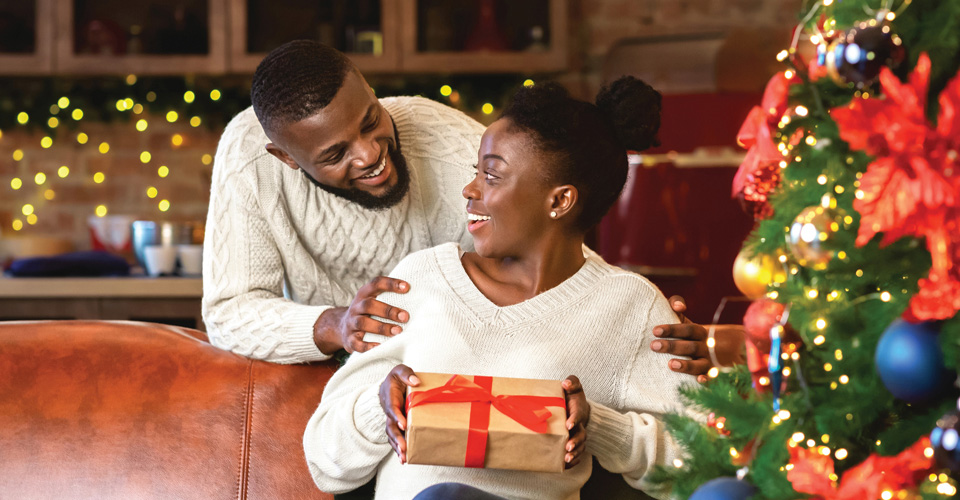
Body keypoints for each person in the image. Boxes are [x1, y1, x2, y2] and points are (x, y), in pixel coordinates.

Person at [202, 39, 740, 379]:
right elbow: (229, 310)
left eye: (370, 120)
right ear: (286, 158)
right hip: (329, 376)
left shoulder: (452, 145)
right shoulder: (251, 157)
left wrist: (631, 317)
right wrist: (335, 325)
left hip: (443, 376)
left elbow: (545, 249)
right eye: (336, 154)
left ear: (370, 89)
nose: (370, 154)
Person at [304, 78, 698, 499]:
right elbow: (325, 465)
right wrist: (378, 406)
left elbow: (693, 460)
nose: (470, 191)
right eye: (476, 172)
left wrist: (597, 426)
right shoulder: (420, 279)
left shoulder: (629, 306)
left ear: (559, 201)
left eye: (491, 176)